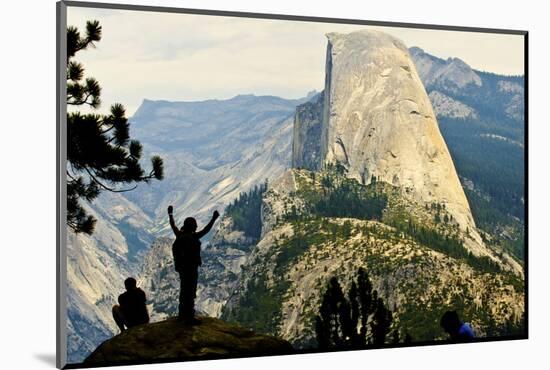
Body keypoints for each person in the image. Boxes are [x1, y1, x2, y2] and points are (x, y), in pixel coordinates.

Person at [168, 205, 219, 324]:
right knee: (190, 292)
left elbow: (173, 225)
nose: (196, 227)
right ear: (192, 226)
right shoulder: (193, 236)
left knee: (184, 290)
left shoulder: (179, 235)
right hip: (191, 268)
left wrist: (170, 214)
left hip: (182, 268)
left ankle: (182, 315)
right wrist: (214, 218)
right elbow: (206, 230)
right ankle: (189, 317)